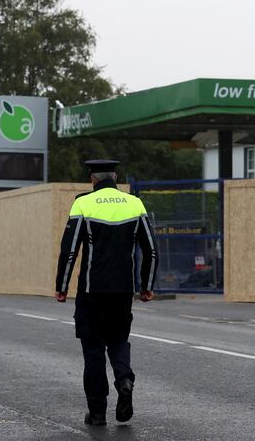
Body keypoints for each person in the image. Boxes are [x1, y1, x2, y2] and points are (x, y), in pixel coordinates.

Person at [55, 159, 157, 426]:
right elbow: (152, 251)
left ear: (92, 179)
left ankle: (97, 413)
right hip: (123, 291)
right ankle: (124, 379)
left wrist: (61, 287)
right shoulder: (135, 204)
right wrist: (147, 285)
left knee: (93, 350)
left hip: (92, 291)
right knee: (119, 340)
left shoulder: (82, 203)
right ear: (115, 176)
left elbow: (69, 252)